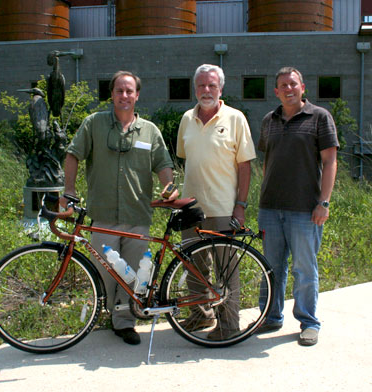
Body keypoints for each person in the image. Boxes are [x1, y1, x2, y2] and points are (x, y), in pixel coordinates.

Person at [61, 71, 178, 345]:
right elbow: (73, 154)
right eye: (119, 91)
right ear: (112, 94)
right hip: (102, 215)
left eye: (129, 91)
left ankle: (124, 323)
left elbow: (163, 164)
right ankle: (111, 313)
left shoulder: (149, 130)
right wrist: (68, 190)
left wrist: (169, 186)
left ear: (137, 95)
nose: (124, 96)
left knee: (133, 274)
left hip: (137, 214)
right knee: (106, 272)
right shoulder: (94, 124)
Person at [257, 66, 339, 346]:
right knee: (271, 268)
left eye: (293, 84)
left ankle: (308, 322)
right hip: (270, 208)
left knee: (304, 268)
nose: (288, 89)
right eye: (283, 85)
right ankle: (270, 317)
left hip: (305, 210)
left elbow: (330, 162)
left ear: (303, 87)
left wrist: (323, 203)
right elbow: (268, 160)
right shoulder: (269, 120)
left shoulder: (320, 117)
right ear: (276, 91)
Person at [176, 64, 256, 340]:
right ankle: (200, 317)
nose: (206, 90)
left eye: (212, 85)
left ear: (221, 88)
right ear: (195, 88)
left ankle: (229, 326)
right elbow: (187, 159)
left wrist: (241, 206)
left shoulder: (235, 118)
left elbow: (245, 167)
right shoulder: (186, 118)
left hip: (223, 209)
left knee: (226, 271)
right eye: (201, 85)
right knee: (194, 267)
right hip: (192, 210)